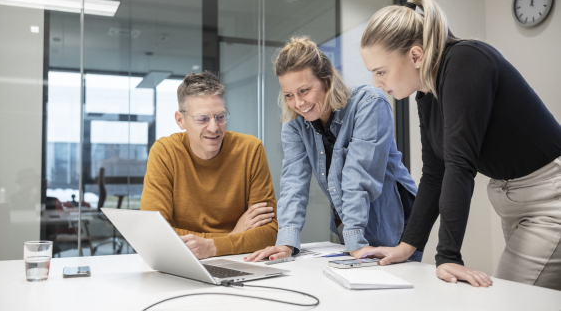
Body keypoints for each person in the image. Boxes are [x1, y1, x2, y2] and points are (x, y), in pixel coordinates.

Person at [355, 0, 561, 291]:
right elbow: (435, 173)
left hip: (548, 198)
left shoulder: (466, 60)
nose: (376, 83)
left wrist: (448, 256)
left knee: (512, 299)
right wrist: (407, 245)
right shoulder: (427, 93)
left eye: (380, 71)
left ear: (415, 55)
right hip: (513, 201)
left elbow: (459, 164)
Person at [244, 37, 421, 263]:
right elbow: (293, 182)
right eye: (289, 95)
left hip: (393, 220)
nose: (298, 103)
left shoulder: (368, 104)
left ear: (326, 80)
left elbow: (358, 178)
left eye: (304, 90)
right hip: (349, 226)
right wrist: (286, 242)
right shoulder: (295, 123)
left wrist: (354, 239)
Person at [140, 71, 278, 259]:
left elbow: (268, 234)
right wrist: (233, 236)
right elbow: (155, 234)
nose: (214, 128)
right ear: (180, 120)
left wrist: (212, 246)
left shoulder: (250, 149)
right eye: (203, 119)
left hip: (240, 260)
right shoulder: (165, 152)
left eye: (220, 117)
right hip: (182, 261)